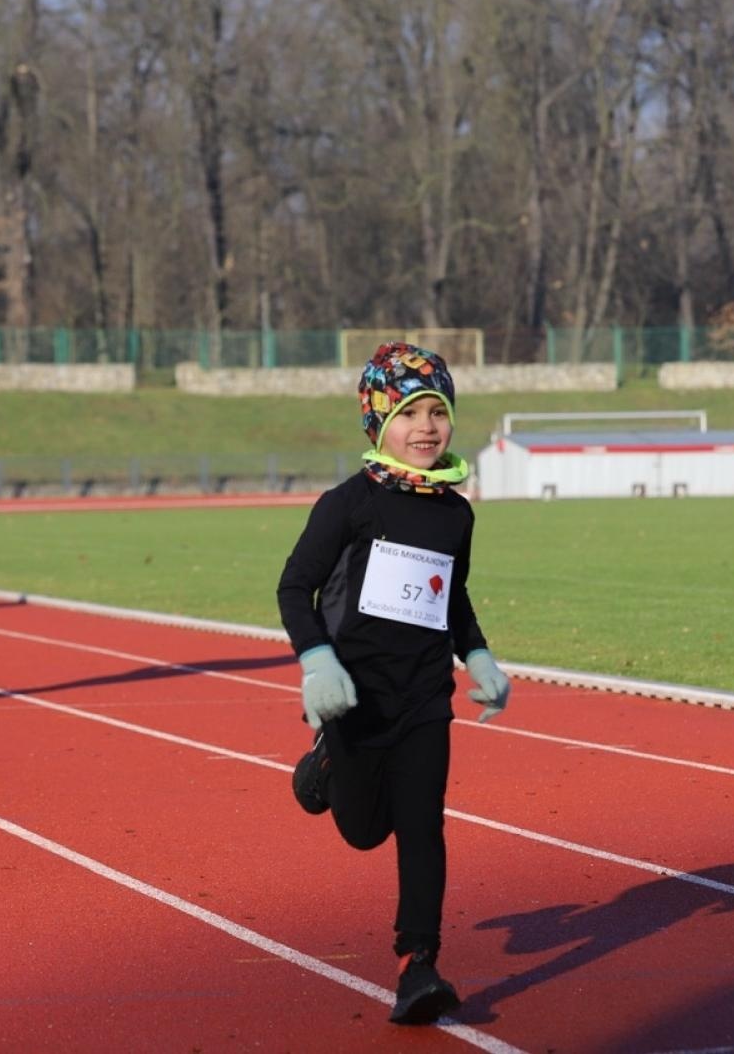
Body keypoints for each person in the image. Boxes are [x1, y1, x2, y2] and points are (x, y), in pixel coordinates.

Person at [276, 341, 510, 1026]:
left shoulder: (455, 514)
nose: (428, 427)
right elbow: (296, 588)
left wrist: (481, 658)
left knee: (422, 822)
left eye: (439, 411)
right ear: (378, 419)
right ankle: (326, 759)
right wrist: (318, 661)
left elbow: (452, 599)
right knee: (362, 829)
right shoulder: (346, 505)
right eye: (410, 412)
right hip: (354, 695)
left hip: (422, 696)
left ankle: (420, 964)